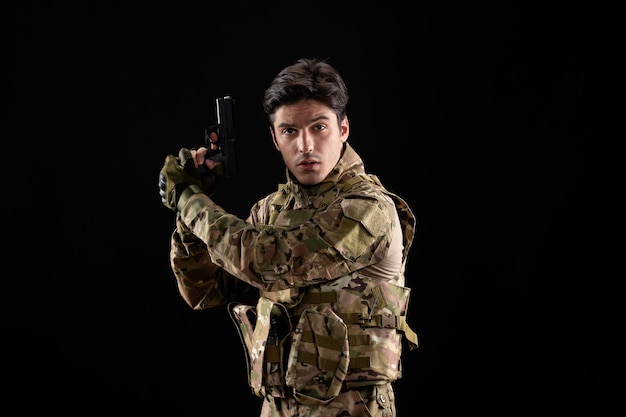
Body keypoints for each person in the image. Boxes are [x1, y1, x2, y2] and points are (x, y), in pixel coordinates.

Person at [158, 57, 419, 417]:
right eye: (290, 131)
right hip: (278, 408)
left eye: (319, 127)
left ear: (343, 129)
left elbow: (270, 263)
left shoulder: (368, 209)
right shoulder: (270, 212)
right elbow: (204, 291)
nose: (306, 145)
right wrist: (190, 221)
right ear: (274, 138)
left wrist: (190, 201)